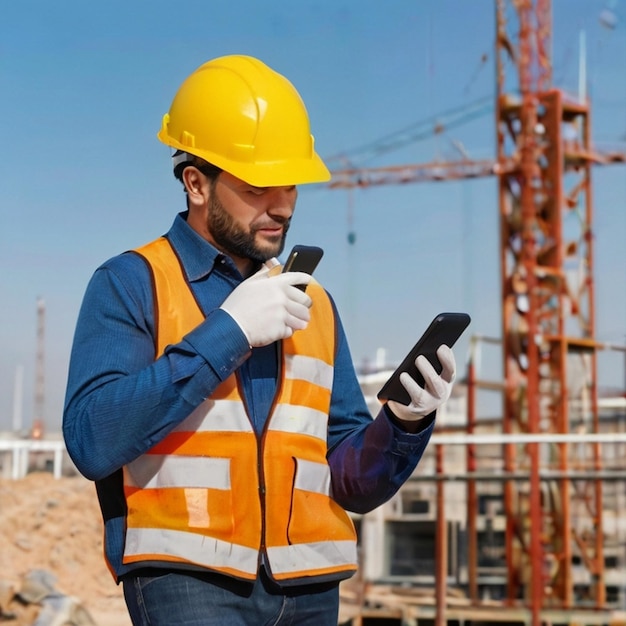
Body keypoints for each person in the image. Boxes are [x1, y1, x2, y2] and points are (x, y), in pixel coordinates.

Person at [62, 54, 457, 626]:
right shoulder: (131, 283)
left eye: (290, 181)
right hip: (188, 582)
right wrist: (230, 332)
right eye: (258, 184)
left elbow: (348, 480)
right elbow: (93, 439)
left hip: (311, 587)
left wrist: (402, 425)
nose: (283, 204)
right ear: (196, 183)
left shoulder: (314, 304)